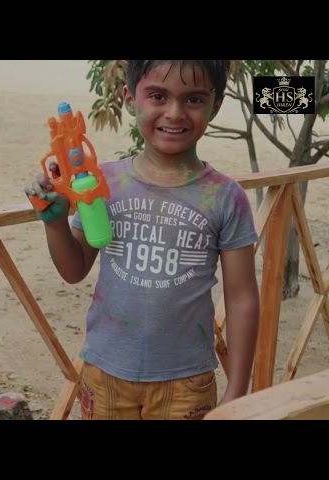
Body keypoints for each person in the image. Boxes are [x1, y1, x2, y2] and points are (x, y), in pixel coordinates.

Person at [25, 60, 260, 420]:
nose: (175, 112)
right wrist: (55, 224)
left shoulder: (225, 197)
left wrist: (237, 391)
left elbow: (242, 298)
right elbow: (74, 269)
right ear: (130, 98)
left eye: (194, 99)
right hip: (104, 375)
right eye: (157, 95)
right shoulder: (103, 183)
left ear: (216, 105)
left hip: (186, 384)